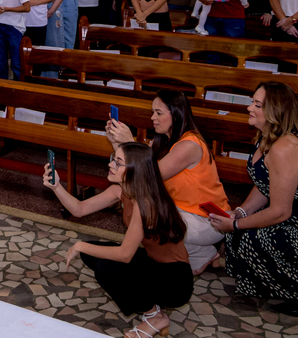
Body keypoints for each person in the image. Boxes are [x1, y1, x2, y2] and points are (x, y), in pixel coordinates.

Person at [208, 82, 298, 316]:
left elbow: (279, 211)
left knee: (254, 238)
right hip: (295, 218)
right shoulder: (266, 137)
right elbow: (265, 186)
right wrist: (240, 213)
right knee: (240, 234)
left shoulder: (284, 147)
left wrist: (235, 224)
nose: (249, 108)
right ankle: (276, 284)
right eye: (252, 102)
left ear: (275, 112)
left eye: (257, 104)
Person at [41, 143, 191, 337]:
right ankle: (150, 304)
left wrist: (79, 245)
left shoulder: (145, 204)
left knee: (106, 268)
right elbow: (79, 209)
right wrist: (56, 187)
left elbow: (125, 254)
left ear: (135, 170)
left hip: (175, 280)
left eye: (118, 163)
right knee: (91, 255)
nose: (111, 165)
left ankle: (154, 316)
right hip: (152, 262)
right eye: (114, 159)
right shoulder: (121, 190)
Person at [106, 91, 230, 275]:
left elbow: (148, 177)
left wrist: (129, 141)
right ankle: (199, 252)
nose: (152, 118)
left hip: (208, 218)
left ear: (176, 115)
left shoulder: (189, 145)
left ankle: (200, 253)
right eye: (152, 112)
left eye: (158, 113)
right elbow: (130, 171)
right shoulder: (163, 141)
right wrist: (117, 143)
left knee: (151, 220)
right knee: (141, 207)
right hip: (184, 210)